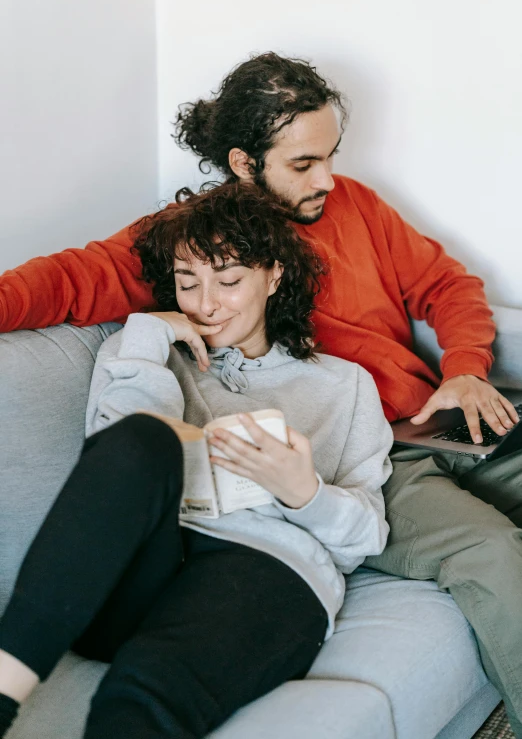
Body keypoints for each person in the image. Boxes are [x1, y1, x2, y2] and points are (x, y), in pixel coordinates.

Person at [1, 51, 522, 734]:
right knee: (488, 551)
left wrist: (465, 367)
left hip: (439, 412)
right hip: (378, 460)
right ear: (245, 162)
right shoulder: (200, 247)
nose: (329, 180)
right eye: (304, 165)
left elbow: (447, 285)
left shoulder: (355, 206)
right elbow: (69, 281)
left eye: (330, 156)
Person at [0, 183, 392, 738]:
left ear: (273, 276)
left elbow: (364, 538)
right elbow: (112, 459)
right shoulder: (143, 350)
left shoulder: (345, 386)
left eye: (229, 281)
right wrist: (152, 335)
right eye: (188, 282)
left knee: (143, 694)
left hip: (264, 565)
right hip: (136, 568)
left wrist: (304, 492)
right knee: (145, 438)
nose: (205, 303)